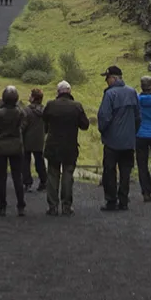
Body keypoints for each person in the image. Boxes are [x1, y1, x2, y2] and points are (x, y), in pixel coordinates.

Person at [41, 80, 90, 215]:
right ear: (69, 91)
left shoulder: (51, 105)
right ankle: (67, 205)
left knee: (52, 174)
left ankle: (53, 206)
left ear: (58, 92)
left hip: (53, 145)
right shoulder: (76, 106)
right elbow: (85, 125)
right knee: (68, 174)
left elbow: (43, 121)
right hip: (70, 146)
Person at [96, 65, 140, 212]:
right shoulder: (132, 92)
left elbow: (104, 117)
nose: (106, 81)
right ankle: (124, 201)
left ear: (114, 78)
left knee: (109, 171)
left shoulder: (110, 94)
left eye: (107, 78)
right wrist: (132, 133)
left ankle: (111, 201)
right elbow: (138, 117)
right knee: (126, 172)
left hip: (112, 142)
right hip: (128, 141)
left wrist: (103, 131)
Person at [0, 85, 30, 216]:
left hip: (1, 145)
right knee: (17, 177)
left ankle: (2, 206)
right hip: (16, 145)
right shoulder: (20, 112)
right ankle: (21, 205)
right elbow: (24, 123)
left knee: (1, 178)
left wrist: (0, 106)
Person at [22, 88, 47, 194]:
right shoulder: (45, 111)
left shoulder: (26, 111)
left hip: (27, 139)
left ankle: (28, 183)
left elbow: (23, 126)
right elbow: (48, 126)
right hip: (40, 139)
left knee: (25, 162)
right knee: (39, 161)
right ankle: (43, 181)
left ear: (33, 98)